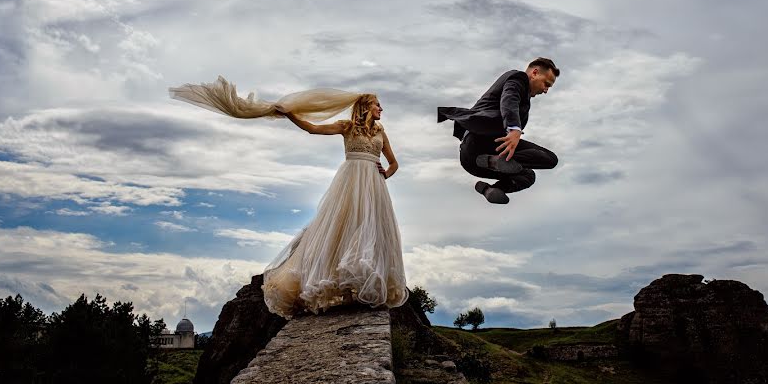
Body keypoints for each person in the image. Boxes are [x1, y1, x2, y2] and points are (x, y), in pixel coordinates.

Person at [169, 78, 408, 318]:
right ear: (366, 107)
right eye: (378, 104)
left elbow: (394, 163)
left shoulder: (380, 132)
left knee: (372, 231)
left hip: (373, 187)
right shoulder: (347, 127)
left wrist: (384, 175)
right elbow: (312, 129)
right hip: (350, 183)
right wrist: (290, 115)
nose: (381, 109)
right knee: (339, 229)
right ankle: (342, 286)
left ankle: (367, 285)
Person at [437, 58, 560, 204]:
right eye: (546, 84)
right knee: (548, 158)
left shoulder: (524, 99)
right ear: (534, 73)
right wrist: (514, 128)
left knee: (530, 174)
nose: (546, 90)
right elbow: (509, 99)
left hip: (473, 162)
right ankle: (497, 161)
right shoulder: (518, 78)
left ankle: (489, 189)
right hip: (480, 142)